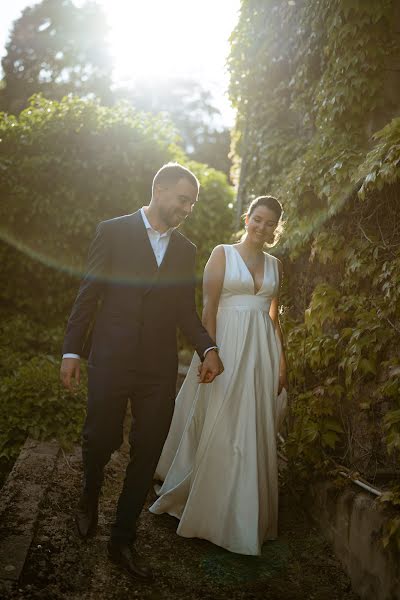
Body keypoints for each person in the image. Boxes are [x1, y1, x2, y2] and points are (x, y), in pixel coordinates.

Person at [60, 163, 224, 580]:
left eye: (192, 203)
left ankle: (122, 539)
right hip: (111, 359)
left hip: (157, 367)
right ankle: (89, 494)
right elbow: (88, 294)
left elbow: (184, 310)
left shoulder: (185, 249)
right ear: (160, 190)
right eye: (183, 199)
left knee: (148, 448)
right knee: (100, 438)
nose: (188, 209)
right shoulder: (112, 231)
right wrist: (71, 352)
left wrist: (208, 347)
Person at [149, 195, 288, 556]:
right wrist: (209, 352)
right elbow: (208, 308)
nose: (262, 227)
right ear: (247, 218)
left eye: (270, 223)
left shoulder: (276, 265)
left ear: (276, 229)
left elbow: (273, 318)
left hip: (262, 353)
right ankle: (206, 503)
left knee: (251, 425)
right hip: (225, 347)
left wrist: (283, 362)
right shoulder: (222, 253)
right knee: (219, 420)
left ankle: (242, 513)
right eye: (258, 219)